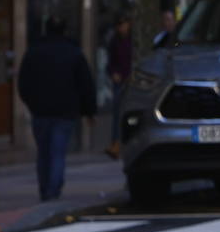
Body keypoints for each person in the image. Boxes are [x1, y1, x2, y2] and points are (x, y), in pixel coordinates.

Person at [17, 17, 97, 201]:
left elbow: (23, 83)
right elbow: (86, 84)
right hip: (65, 112)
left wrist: (32, 103)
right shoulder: (73, 53)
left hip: (41, 111)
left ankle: (45, 189)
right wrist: (89, 111)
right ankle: (52, 191)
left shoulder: (34, 52)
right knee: (57, 152)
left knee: (44, 153)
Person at [104, 14, 133, 159]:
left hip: (132, 81)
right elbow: (109, 64)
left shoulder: (133, 41)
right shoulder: (114, 42)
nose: (123, 27)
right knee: (117, 113)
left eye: (125, 24)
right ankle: (115, 143)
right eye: (120, 25)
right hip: (120, 81)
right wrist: (113, 73)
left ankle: (127, 143)